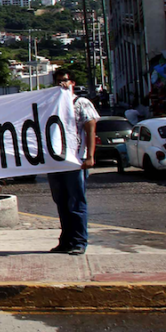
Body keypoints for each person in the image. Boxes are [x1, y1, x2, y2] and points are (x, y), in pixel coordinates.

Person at [49, 69, 99, 255]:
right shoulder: (51, 105)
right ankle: (66, 240)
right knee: (61, 202)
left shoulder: (81, 103)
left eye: (65, 81)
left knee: (76, 201)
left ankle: (79, 241)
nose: (62, 85)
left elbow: (90, 129)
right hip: (56, 162)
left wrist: (90, 156)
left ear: (73, 83)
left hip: (75, 161)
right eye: (58, 82)